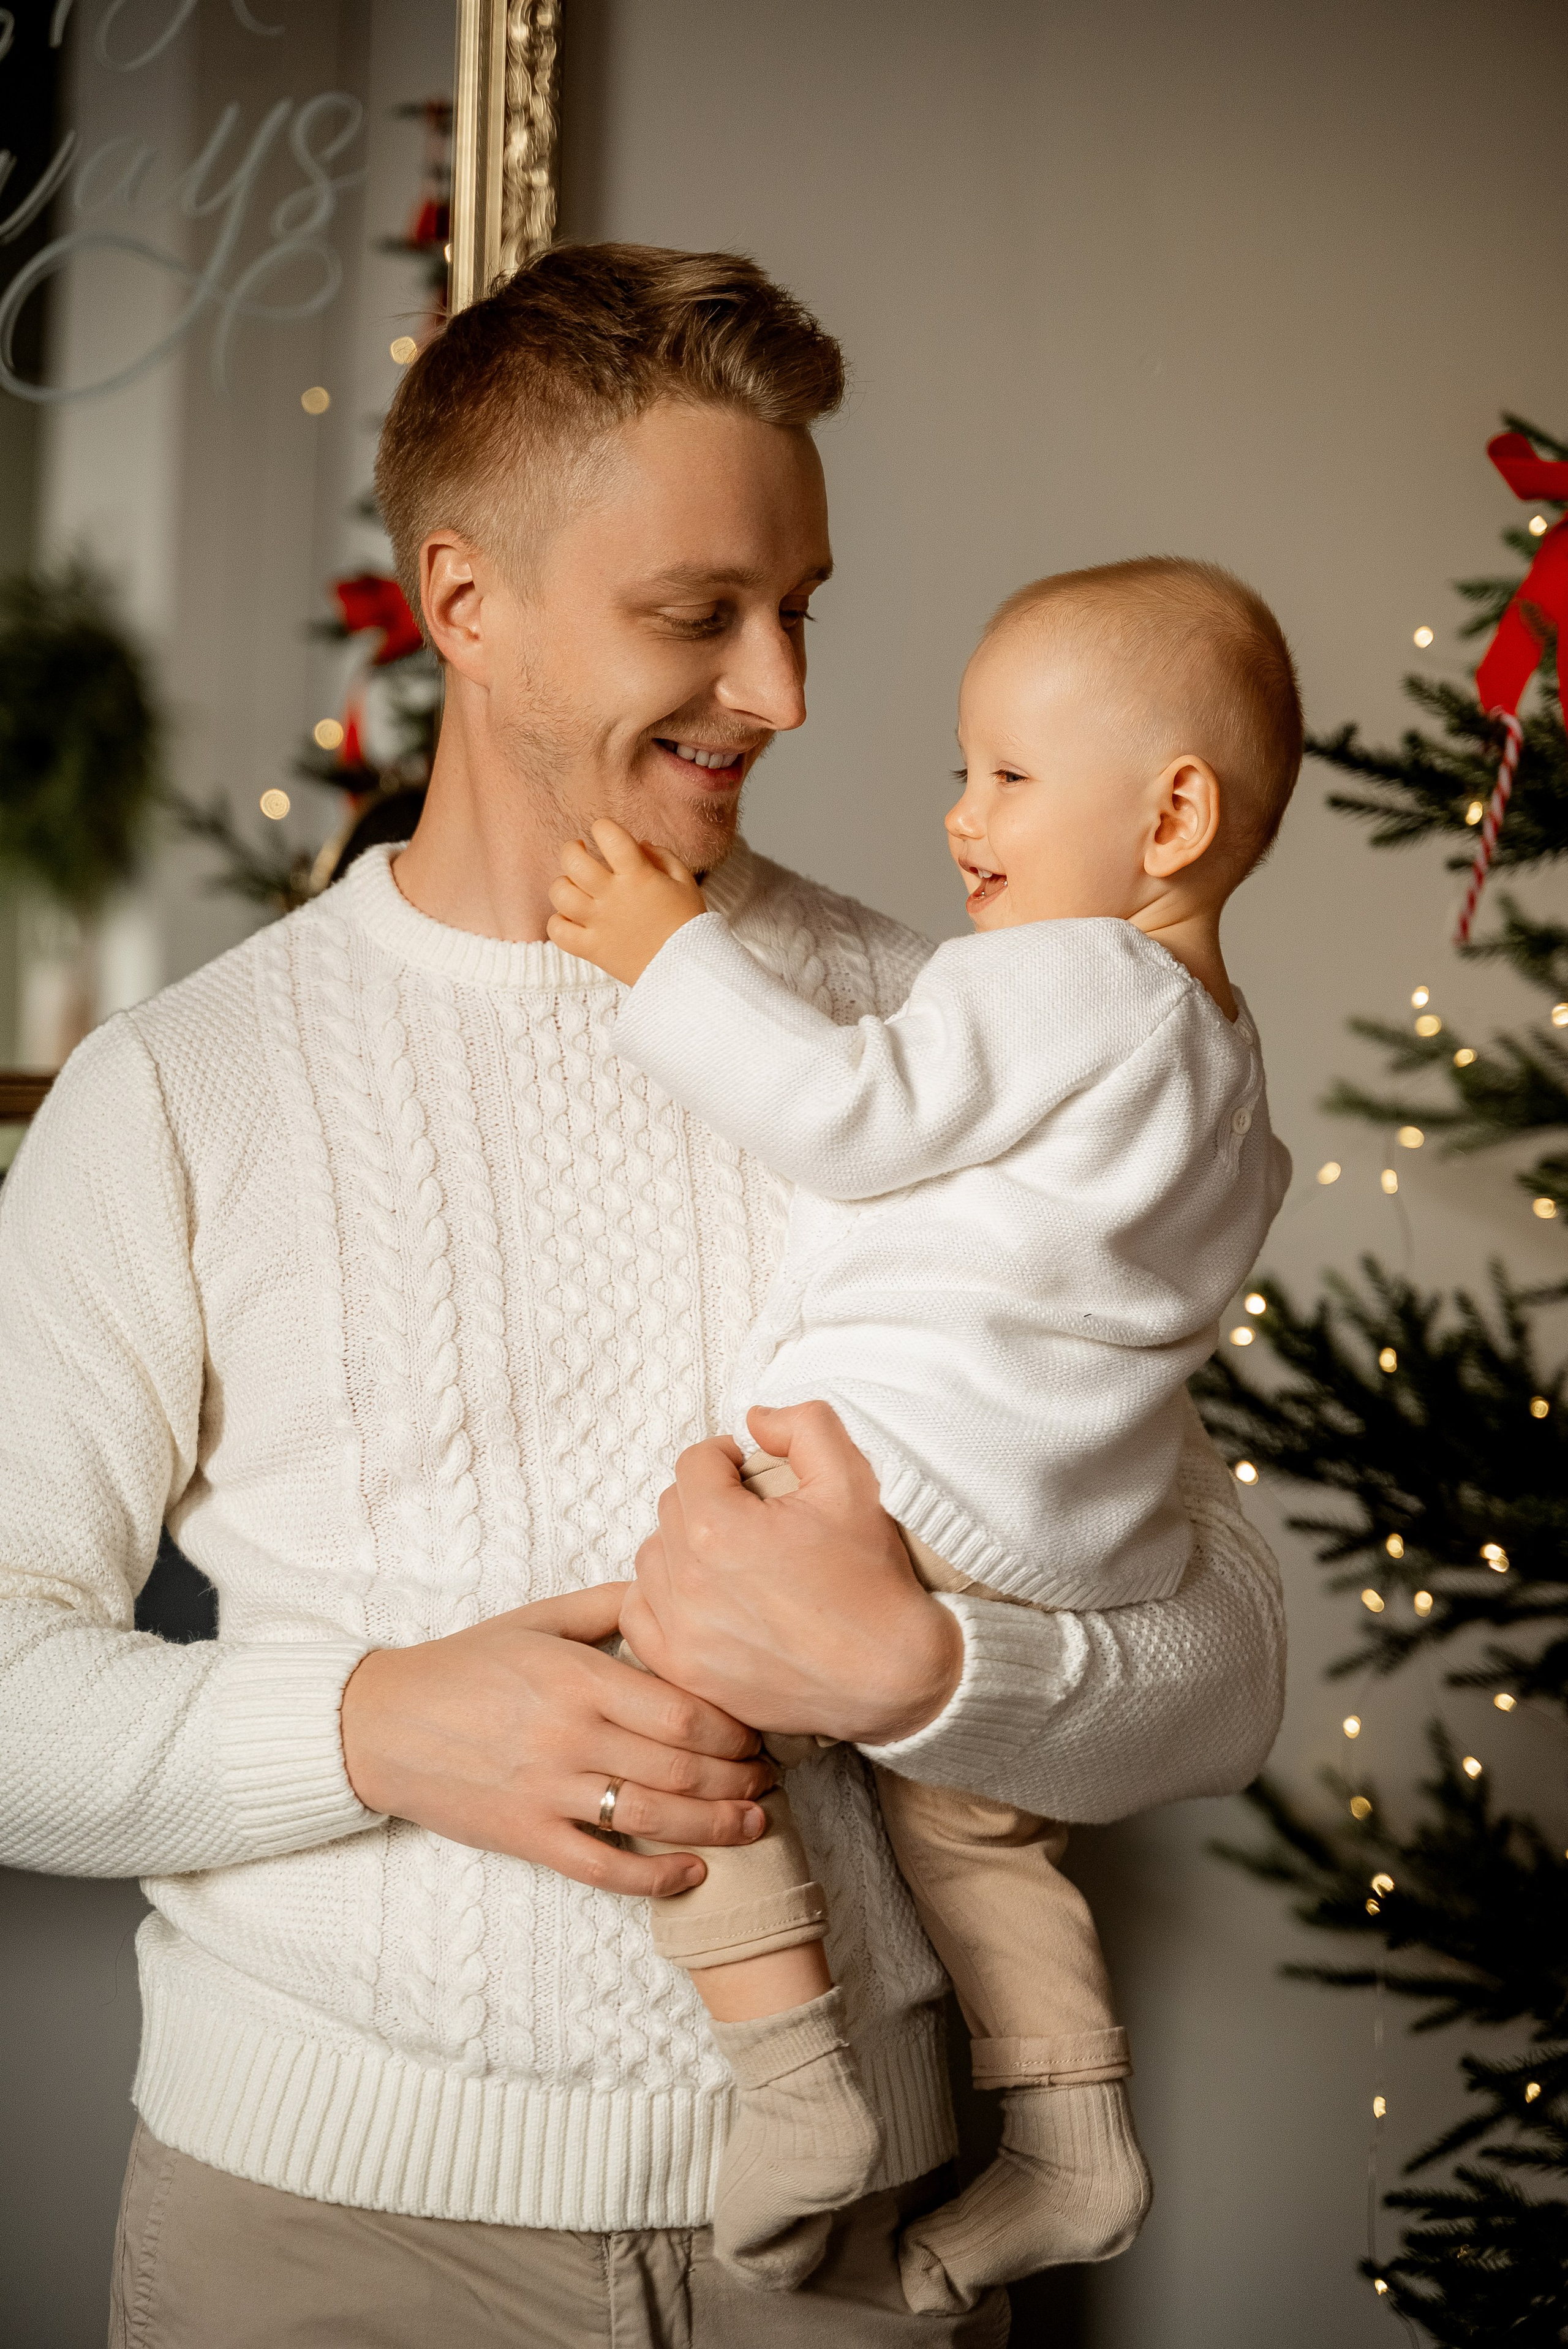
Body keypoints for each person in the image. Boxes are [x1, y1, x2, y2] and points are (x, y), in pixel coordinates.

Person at [0, 245, 1286, 2349]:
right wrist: (369, 1721)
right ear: (466, 604)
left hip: (852, 2252)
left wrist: (928, 1668)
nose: (781, 692)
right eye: (700, 615)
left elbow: (1228, 1654)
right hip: (325, 2247)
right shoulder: (184, 1088)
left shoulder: (944, 1026)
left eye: (803, 611)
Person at [546, 557, 1298, 2312]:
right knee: (978, 1824)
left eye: (1009, 777)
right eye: (965, 772)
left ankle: (788, 2070)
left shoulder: (1068, 978)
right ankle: (1070, 2129)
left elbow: (845, 1111)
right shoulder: (1223, 1062)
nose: (961, 819)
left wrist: (670, 956)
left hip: (909, 1470)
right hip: (1066, 1527)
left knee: (674, 1674)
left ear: (1173, 813)